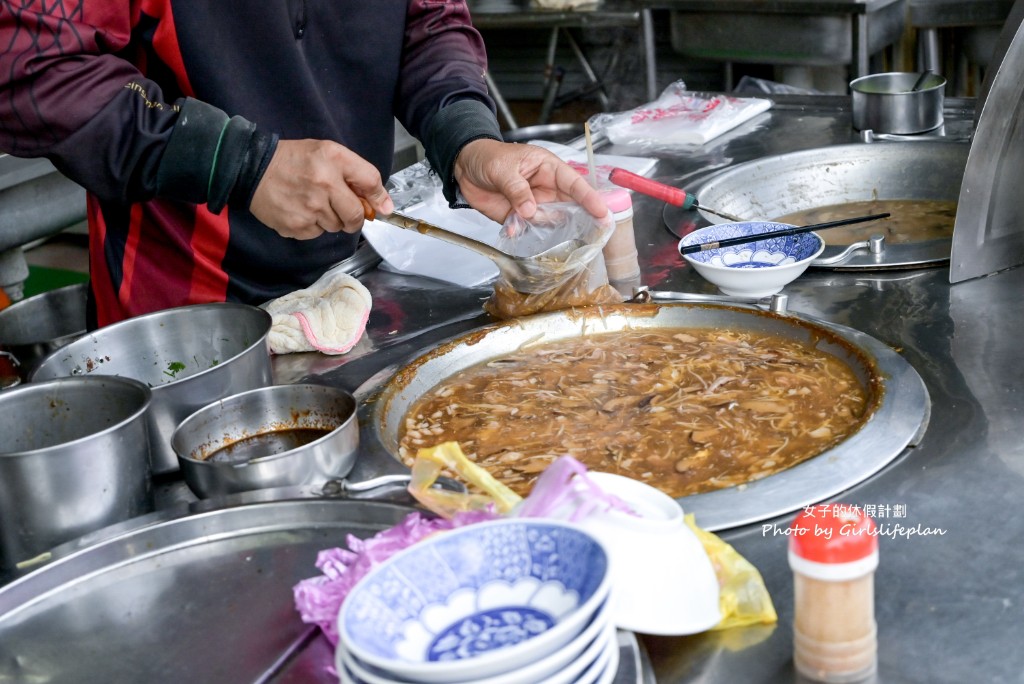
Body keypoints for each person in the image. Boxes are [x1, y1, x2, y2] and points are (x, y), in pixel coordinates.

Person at [0, 2, 606, 328]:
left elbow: (428, 24)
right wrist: (241, 164)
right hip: (185, 320)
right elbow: (30, 69)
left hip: (362, 279)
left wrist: (468, 140)